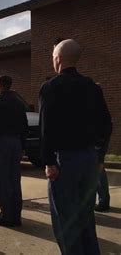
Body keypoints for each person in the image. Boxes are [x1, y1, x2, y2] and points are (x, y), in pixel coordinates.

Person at [40, 39, 111, 255]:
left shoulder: (51, 87)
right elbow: (106, 125)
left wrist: (49, 162)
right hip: (89, 159)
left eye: (53, 57)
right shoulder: (92, 87)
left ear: (58, 59)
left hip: (65, 162)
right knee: (85, 217)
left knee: (66, 222)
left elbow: (46, 129)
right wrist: (99, 158)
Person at [0, 76, 28, 227]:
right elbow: (24, 125)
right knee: (15, 180)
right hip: (16, 142)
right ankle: (16, 215)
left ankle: (6, 215)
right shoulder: (18, 102)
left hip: (1, 143)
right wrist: (22, 145)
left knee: (2, 181)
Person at [95, 120, 112, 212]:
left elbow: (107, 127)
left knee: (98, 173)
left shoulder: (96, 107)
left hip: (96, 145)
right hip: (93, 144)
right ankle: (103, 201)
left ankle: (104, 201)